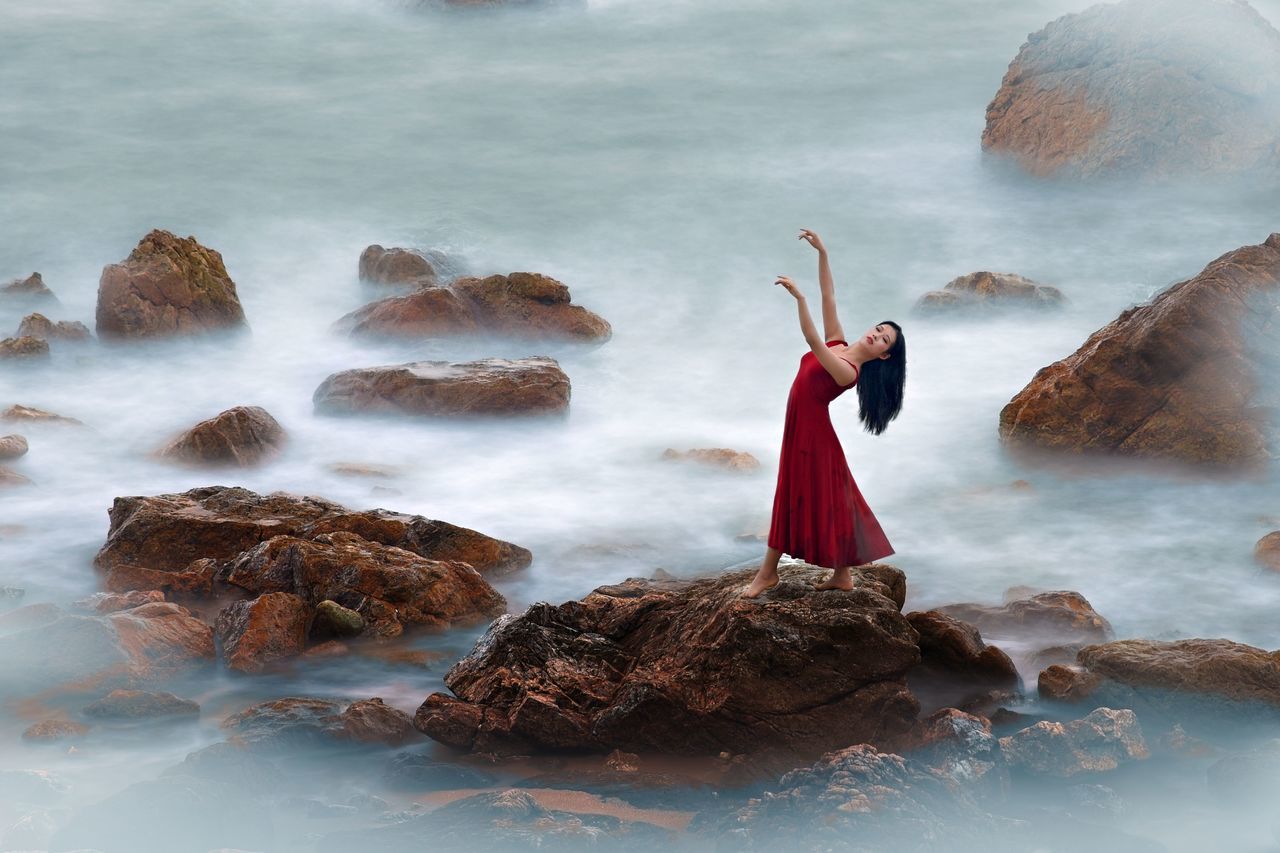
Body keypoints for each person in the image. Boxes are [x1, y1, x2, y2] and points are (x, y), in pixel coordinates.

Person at [742, 228, 906, 599]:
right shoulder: (841, 342)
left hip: (812, 435)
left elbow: (812, 342)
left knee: (791, 494)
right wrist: (823, 253)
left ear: (883, 356)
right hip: (801, 427)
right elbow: (829, 295)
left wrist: (798, 299)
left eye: (883, 340)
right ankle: (842, 575)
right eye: (878, 329)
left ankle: (768, 573)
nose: (875, 335)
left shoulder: (849, 371)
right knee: (832, 500)